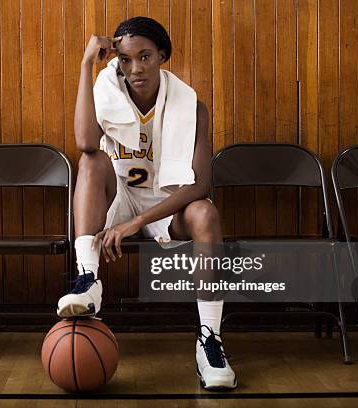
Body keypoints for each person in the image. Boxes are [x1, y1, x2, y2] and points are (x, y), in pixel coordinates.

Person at [56, 17, 236, 390]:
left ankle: (210, 340)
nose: (135, 68)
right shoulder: (108, 91)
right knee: (89, 161)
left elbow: (200, 184)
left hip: (166, 203)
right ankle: (88, 279)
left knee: (206, 212)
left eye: (145, 57)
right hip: (118, 196)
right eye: (124, 59)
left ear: (162, 57)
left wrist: (135, 224)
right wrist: (85, 65)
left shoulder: (191, 105)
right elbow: (86, 143)